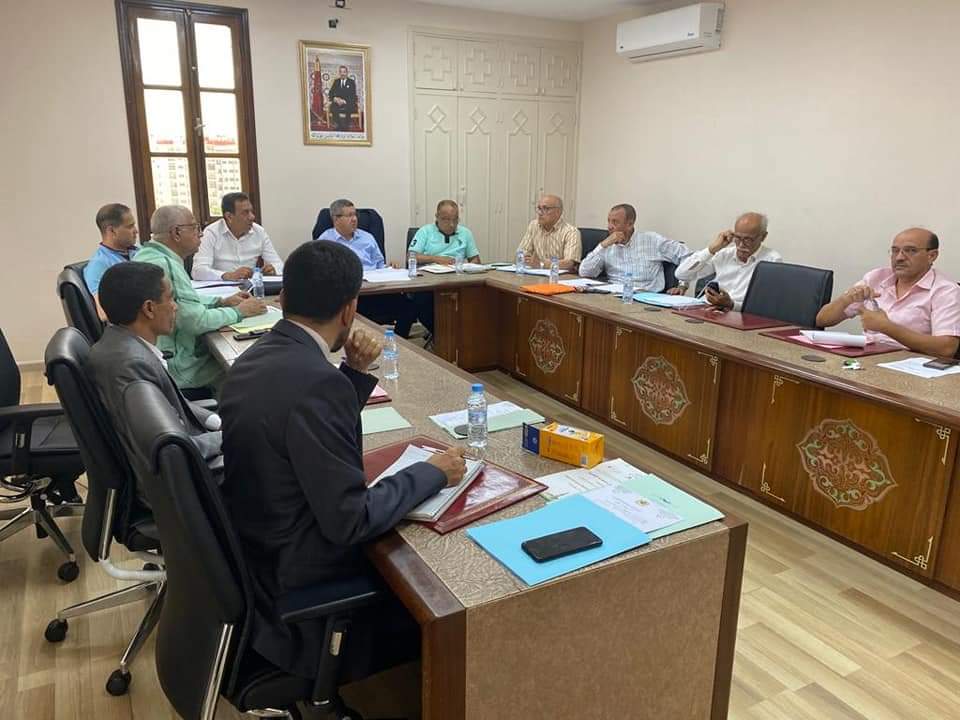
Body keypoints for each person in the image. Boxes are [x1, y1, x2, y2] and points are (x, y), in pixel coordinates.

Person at [219, 239, 466, 681]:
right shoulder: (316, 383)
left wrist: (351, 374)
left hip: (258, 555)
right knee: (445, 573)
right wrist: (431, 472)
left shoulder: (253, 358)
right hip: (303, 584)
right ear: (350, 310)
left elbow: (300, 424)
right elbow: (351, 521)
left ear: (283, 297)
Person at [87, 262, 224, 508]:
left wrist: (219, 422)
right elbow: (173, 451)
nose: (175, 306)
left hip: (190, 456)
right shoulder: (133, 366)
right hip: (192, 484)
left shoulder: (119, 344)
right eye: (170, 299)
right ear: (149, 308)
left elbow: (176, 407)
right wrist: (231, 436)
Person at [135, 205, 266, 393]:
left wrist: (220, 302)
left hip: (157, 359)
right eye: (195, 227)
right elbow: (195, 321)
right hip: (179, 367)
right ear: (176, 233)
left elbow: (182, 301)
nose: (201, 233)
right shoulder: (165, 265)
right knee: (249, 368)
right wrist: (239, 312)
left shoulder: (149, 255)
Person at [815, 228, 960, 356]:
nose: (899, 257)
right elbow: (822, 320)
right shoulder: (876, 278)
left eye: (910, 250)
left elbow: (947, 348)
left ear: (932, 255)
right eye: (895, 250)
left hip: (910, 366)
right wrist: (845, 299)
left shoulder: (945, 291)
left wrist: (885, 327)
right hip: (866, 357)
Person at [317, 199, 416, 336]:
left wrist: (389, 268)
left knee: (409, 307)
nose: (354, 219)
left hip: (375, 291)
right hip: (348, 296)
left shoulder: (367, 237)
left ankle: (396, 341)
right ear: (336, 219)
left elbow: (379, 265)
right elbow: (322, 272)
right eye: (349, 215)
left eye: (355, 215)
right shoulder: (325, 241)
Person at [405, 200, 481, 337]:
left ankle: (464, 337)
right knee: (421, 304)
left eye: (455, 220)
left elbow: (475, 259)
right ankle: (444, 338)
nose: (451, 224)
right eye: (446, 220)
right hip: (430, 283)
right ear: (437, 217)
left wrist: (469, 267)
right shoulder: (425, 231)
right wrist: (436, 259)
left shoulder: (465, 233)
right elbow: (411, 256)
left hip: (458, 280)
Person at [675, 212, 782, 310]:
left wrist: (732, 305)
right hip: (709, 310)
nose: (741, 245)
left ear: (763, 236)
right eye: (737, 238)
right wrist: (711, 250)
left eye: (748, 239)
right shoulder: (724, 254)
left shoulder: (771, 261)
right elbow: (681, 274)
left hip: (740, 316)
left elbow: (765, 306)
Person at [579, 203, 690, 291]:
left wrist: (682, 285)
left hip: (646, 298)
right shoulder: (607, 245)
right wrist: (602, 245)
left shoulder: (652, 240)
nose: (609, 227)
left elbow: (687, 255)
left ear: (630, 224)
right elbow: (585, 272)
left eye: (615, 222)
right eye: (608, 221)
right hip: (613, 296)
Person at [192, 192, 283, 281]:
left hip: (250, 287)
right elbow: (198, 271)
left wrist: (274, 270)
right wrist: (227, 275)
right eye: (245, 213)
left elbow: (279, 265)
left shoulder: (259, 232)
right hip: (221, 288)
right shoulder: (211, 233)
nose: (252, 217)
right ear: (229, 217)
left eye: (251, 211)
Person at [84, 203, 139, 317]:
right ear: (111, 231)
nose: (136, 231)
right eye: (130, 226)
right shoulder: (98, 265)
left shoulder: (139, 251)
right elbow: (104, 313)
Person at [517, 194, 581, 271]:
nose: (540, 213)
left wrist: (542, 264)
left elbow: (569, 263)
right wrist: (525, 259)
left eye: (545, 208)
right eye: (539, 208)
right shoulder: (534, 225)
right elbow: (522, 253)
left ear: (558, 212)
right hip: (537, 274)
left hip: (559, 276)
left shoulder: (571, 232)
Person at [327, 65, 358, 131]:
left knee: (349, 107)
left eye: (344, 72)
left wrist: (344, 101)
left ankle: (346, 126)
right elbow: (331, 93)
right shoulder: (336, 81)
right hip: (338, 102)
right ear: (339, 73)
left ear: (347, 73)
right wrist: (335, 98)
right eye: (341, 72)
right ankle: (339, 125)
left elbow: (353, 95)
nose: (342, 74)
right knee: (333, 107)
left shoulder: (351, 82)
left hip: (347, 102)